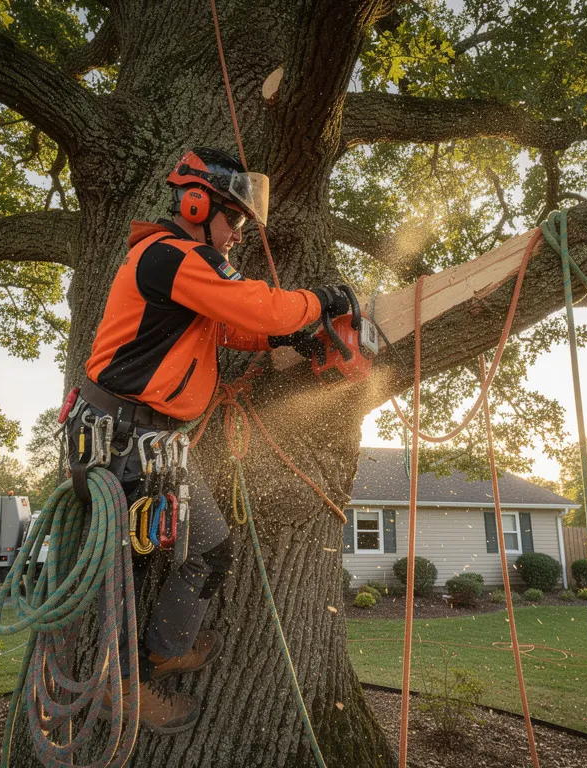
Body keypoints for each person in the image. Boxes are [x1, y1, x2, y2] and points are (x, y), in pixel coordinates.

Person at [73, 147, 352, 733]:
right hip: (124, 438)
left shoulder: (184, 271)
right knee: (132, 568)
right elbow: (255, 304)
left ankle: (166, 647)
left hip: (157, 443)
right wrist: (320, 303)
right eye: (236, 222)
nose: (237, 237)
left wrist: (287, 339)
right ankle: (117, 686)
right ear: (197, 204)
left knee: (212, 547)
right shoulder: (170, 255)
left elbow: (227, 324)